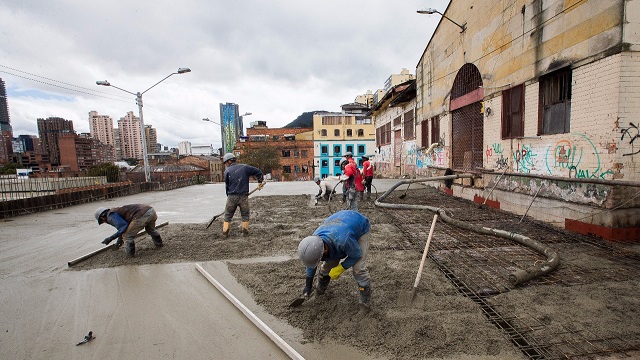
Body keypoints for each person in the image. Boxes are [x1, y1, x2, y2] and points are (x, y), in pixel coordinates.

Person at [297, 210, 372, 307]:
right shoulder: (314, 241)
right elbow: (312, 262)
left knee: (358, 269)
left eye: (320, 258)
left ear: (324, 250)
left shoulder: (343, 240)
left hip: (360, 227)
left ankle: (365, 304)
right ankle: (320, 293)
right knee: (327, 266)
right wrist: (308, 285)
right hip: (340, 223)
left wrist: (342, 267)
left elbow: (356, 255)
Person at [95, 204, 162, 257]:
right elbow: (123, 229)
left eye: (103, 221)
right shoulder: (115, 211)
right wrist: (118, 242)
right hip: (150, 210)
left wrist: (110, 238)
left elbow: (123, 228)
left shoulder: (110, 216)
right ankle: (159, 245)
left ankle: (130, 256)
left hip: (141, 215)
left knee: (127, 236)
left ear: (102, 217)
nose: (105, 222)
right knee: (150, 230)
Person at [222, 152, 264, 237]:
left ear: (228, 161)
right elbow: (259, 172)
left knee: (228, 215)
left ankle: (225, 232)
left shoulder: (227, 171)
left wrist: (229, 197)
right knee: (245, 214)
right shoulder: (245, 167)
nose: (226, 164)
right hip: (243, 196)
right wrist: (259, 182)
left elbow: (227, 186)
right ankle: (245, 230)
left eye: (225, 163)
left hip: (231, 196)